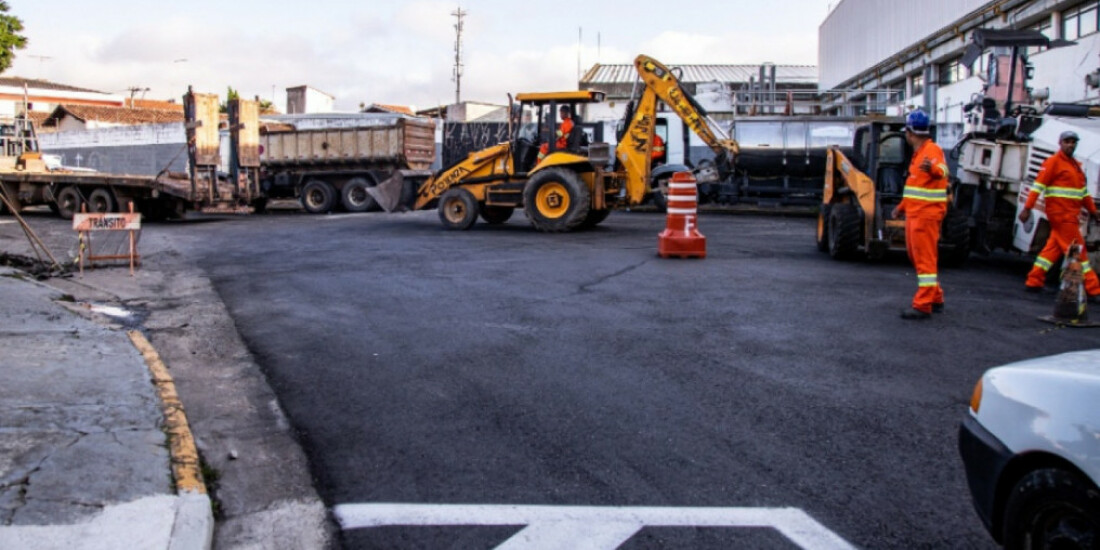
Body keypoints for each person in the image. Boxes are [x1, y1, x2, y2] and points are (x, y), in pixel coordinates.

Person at [1019, 130, 1100, 300]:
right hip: (1062, 216)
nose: (1070, 145)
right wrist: (1027, 208)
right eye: (1067, 141)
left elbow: (1083, 193)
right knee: (1078, 253)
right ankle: (1094, 289)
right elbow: (1038, 187)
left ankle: (1034, 281)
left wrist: (1093, 211)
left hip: (1068, 216)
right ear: (1060, 143)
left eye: (1073, 142)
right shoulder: (1053, 163)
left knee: (1051, 250)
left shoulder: (1075, 166)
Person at [892, 109, 949, 320]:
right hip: (917, 213)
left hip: (925, 215)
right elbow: (916, 188)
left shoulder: (931, 151)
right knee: (918, 257)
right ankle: (935, 297)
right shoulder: (920, 154)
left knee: (924, 259)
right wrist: (901, 207)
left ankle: (923, 304)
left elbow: (943, 170)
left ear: (910, 132)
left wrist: (933, 169)